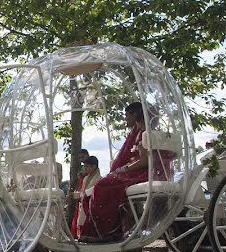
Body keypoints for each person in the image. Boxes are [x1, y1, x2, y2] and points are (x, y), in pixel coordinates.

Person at [78, 102, 170, 241]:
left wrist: (123, 169)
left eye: (127, 115)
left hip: (144, 174)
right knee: (106, 183)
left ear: (136, 116)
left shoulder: (145, 134)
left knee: (102, 186)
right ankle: (113, 229)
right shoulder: (146, 133)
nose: (125, 119)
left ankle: (105, 231)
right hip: (150, 172)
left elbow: (145, 161)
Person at [70, 156, 102, 239]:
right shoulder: (85, 179)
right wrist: (73, 195)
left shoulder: (99, 179)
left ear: (94, 167)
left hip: (92, 206)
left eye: (87, 166)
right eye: (85, 166)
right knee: (82, 223)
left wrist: (80, 195)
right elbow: (83, 193)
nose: (85, 168)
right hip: (84, 204)